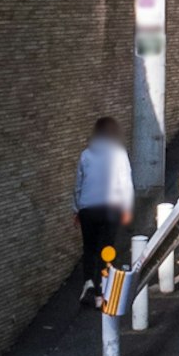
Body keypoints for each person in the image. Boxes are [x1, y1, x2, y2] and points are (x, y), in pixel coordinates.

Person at [75, 111, 133, 302]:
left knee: (89, 247)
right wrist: (127, 208)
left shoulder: (85, 154)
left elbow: (79, 184)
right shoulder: (118, 153)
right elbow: (125, 182)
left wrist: (77, 209)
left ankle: (88, 283)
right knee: (107, 247)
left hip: (87, 208)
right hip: (110, 207)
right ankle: (102, 287)